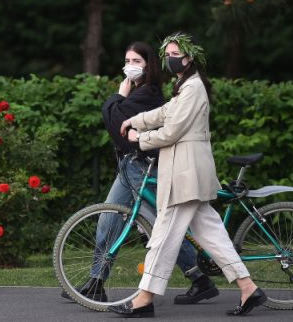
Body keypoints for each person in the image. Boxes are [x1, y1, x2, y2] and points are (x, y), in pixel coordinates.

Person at [111, 32, 266, 317]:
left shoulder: (193, 88)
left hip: (185, 176)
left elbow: (172, 131)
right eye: (166, 55)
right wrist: (134, 119)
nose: (169, 60)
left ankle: (144, 299)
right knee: (213, 235)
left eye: (174, 55)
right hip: (187, 175)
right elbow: (164, 112)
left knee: (163, 237)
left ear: (189, 57)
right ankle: (248, 288)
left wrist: (137, 138)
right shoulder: (186, 86)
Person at [61, 42, 219, 305]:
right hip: (129, 166)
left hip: (142, 166)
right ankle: (96, 282)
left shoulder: (148, 93)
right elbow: (118, 126)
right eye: (127, 61)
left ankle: (199, 278)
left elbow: (113, 121)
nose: (130, 66)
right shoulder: (140, 92)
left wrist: (117, 98)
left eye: (136, 61)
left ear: (149, 66)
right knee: (109, 220)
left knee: (162, 225)